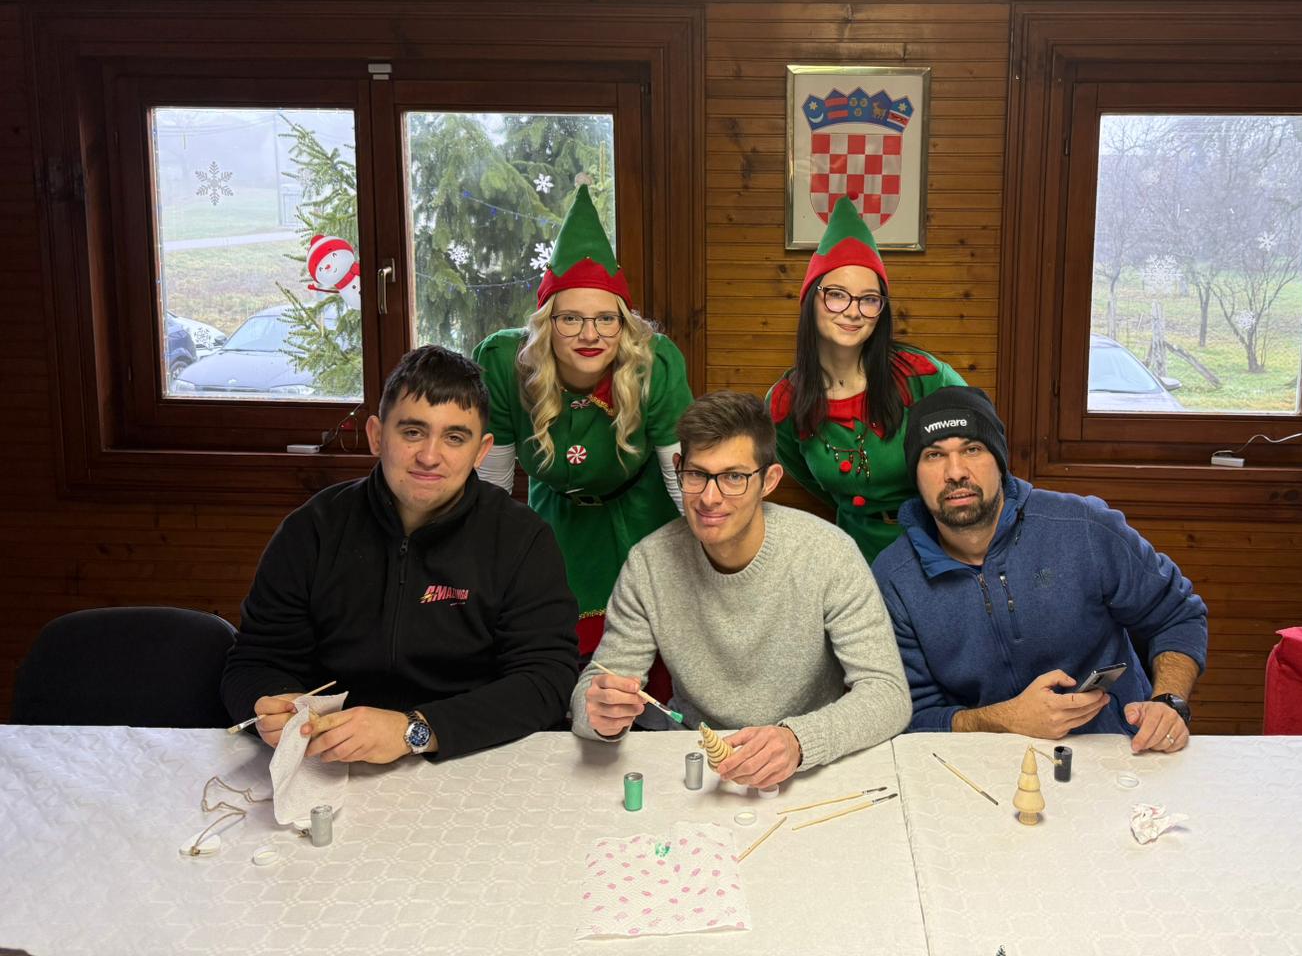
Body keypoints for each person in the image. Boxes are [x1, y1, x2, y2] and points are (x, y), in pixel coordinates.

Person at [220, 345, 578, 762]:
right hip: (329, 758)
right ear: (377, 435)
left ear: (481, 451)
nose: (429, 456)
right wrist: (271, 703)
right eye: (412, 432)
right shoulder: (312, 529)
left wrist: (415, 730)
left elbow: (546, 681)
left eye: (455, 438)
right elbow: (253, 661)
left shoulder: (522, 538)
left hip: (472, 758)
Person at [572, 391, 911, 787]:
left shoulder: (829, 553)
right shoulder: (649, 564)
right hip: (696, 762)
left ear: (769, 481)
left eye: (734, 477)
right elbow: (594, 687)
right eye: (697, 474)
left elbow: (888, 694)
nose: (709, 498)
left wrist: (798, 740)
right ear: (678, 469)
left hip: (807, 767)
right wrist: (599, 714)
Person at [873, 385, 1208, 753]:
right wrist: (1005, 720)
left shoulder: (1084, 526)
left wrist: (1168, 701)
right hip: (982, 763)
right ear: (916, 475)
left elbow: (1176, 614)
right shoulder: (894, 579)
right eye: (934, 455)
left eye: (972, 449)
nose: (955, 472)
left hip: (1116, 750)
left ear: (999, 461)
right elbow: (910, 717)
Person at [473, 186, 692, 658]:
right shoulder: (506, 363)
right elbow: (492, 486)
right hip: (554, 523)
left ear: (624, 324)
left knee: (643, 655)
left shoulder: (654, 365)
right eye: (570, 319)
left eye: (606, 319)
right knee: (551, 651)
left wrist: (705, 573)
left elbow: (684, 482)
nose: (590, 335)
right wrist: (487, 569)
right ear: (546, 323)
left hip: (642, 519)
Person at [766, 198, 966, 562]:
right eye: (837, 295)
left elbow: (981, 445)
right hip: (854, 552)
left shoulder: (922, 376)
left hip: (936, 546)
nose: (853, 311)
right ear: (811, 300)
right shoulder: (784, 402)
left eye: (869, 299)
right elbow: (809, 479)